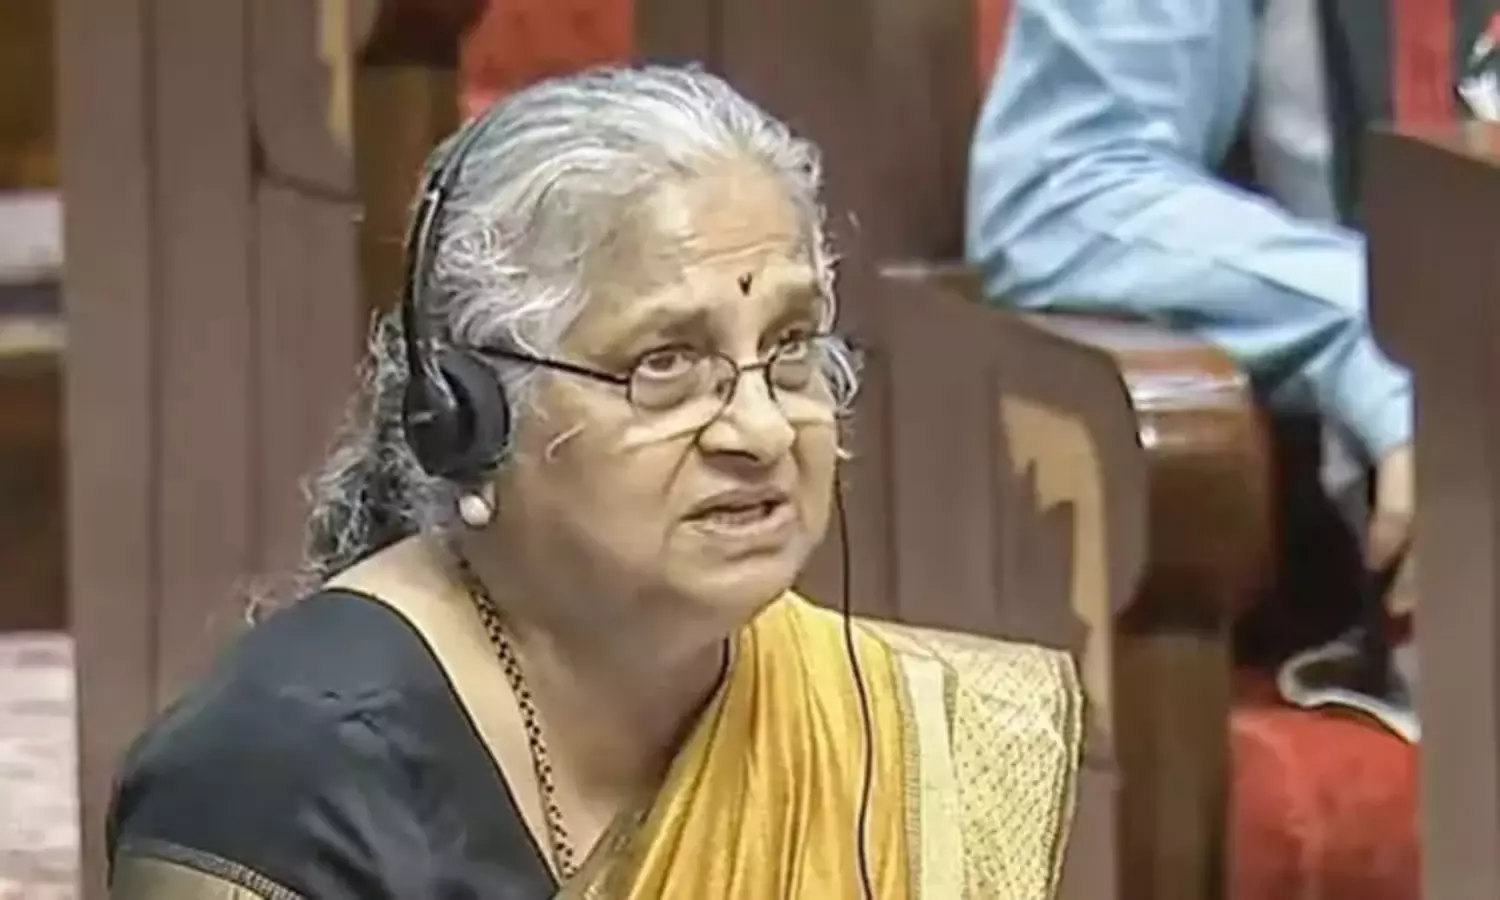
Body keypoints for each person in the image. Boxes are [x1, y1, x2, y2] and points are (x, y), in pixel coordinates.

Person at [105, 66, 1087, 899]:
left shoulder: (888, 738)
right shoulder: (269, 787)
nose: (759, 430)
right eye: (666, 363)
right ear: (474, 414)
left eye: (790, 346)